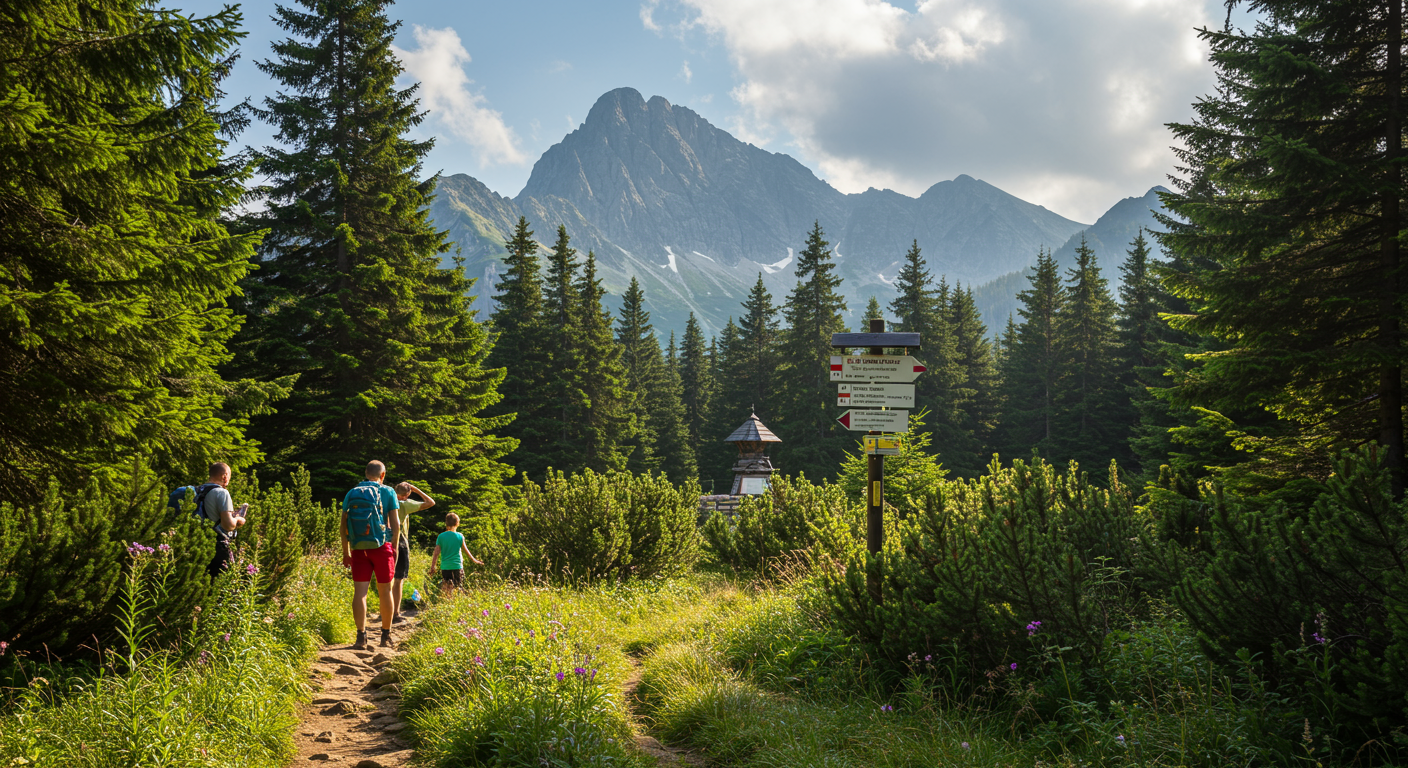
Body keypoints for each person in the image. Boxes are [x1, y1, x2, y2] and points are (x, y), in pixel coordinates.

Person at [342, 460, 401, 650]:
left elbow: (343, 527)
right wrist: (395, 547)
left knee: (360, 593)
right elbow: (396, 523)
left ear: (366, 473)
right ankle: (386, 636)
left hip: (358, 548)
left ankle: (361, 637)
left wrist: (346, 551)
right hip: (381, 547)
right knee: (385, 591)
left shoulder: (351, 493)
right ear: (382, 475)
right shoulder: (388, 491)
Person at [389, 481, 436, 624]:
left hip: (384, 540)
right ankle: (395, 613)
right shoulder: (404, 504)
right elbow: (430, 502)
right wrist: (416, 490)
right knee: (398, 579)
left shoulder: (387, 500)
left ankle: (386, 610)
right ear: (407, 494)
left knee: (386, 579)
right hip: (400, 542)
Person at [202, 462, 248, 578]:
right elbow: (228, 525)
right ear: (225, 476)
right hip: (217, 545)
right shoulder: (222, 492)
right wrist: (238, 519)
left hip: (197, 542)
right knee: (220, 583)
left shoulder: (197, 491)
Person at [432, 512, 483, 595]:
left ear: (446, 523)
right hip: (457, 566)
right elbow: (466, 551)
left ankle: (447, 602)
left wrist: (433, 566)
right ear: (457, 523)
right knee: (458, 587)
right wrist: (475, 560)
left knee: (447, 586)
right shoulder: (460, 536)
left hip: (445, 566)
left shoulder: (441, 536)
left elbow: (436, 553)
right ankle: (455, 603)